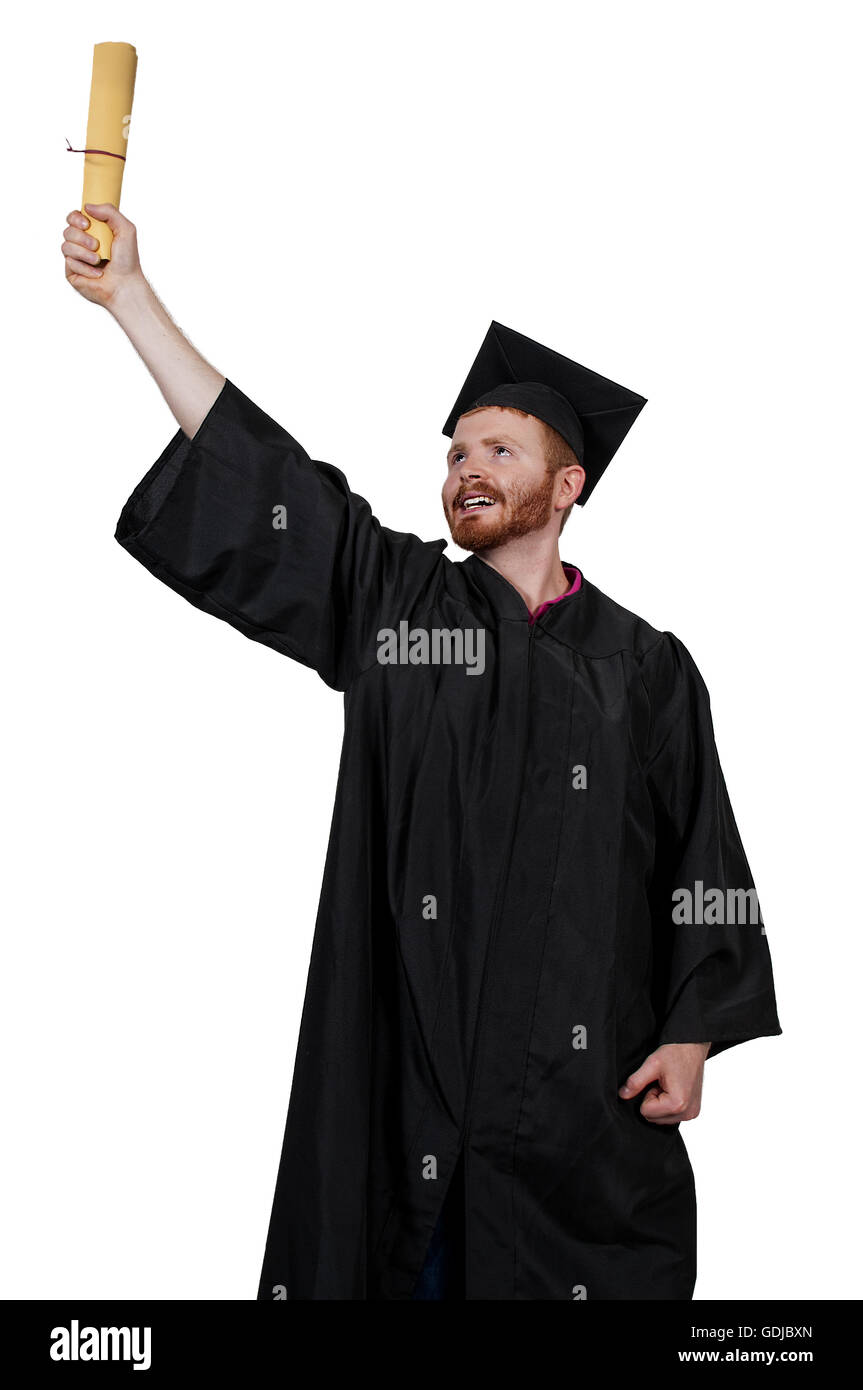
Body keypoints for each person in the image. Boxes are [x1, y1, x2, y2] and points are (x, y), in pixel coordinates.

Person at [62, 203, 781, 1301]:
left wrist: (691, 1034)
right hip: (410, 1111)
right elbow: (274, 485)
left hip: (574, 1130)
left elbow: (703, 864)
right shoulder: (401, 608)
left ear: (566, 485)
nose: (465, 468)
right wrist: (132, 303)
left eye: (499, 449)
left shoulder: (648, 668)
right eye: (454, 452)